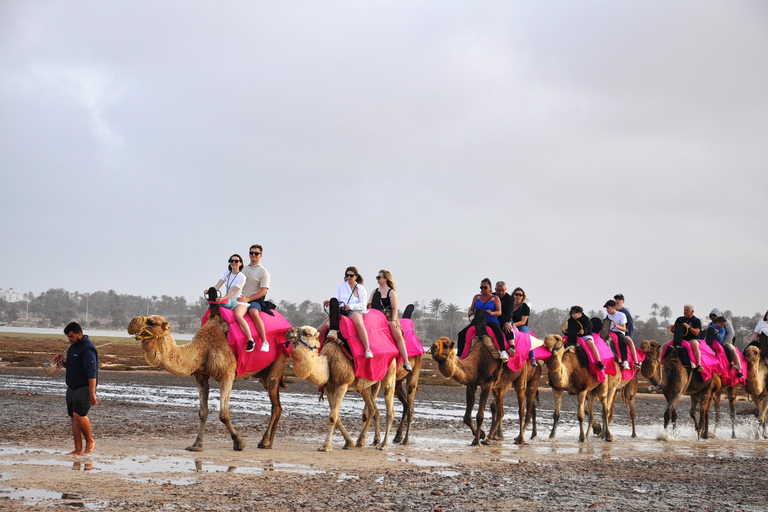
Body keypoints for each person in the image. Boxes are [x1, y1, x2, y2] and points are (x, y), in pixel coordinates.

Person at [206, 254, 256, 352]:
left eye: (236, 261)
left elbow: (233, 292)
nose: (233, 263)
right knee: (211, 314)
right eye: (231, 261)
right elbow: (217, 286)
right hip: (227, 301)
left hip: (237, 301)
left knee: (238, 315)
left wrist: (223, 298)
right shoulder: (226, 274)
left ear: (240, 263)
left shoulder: (241, 277)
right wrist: (209, 291)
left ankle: (250, 340)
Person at [62, 322, 98, 455]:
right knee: (73, 417)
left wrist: (92, 393)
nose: (70, 339)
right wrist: (62, 363)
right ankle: (78, 450)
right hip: (71, 387)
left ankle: (90, 441)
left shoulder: (88, 350)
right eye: (68, 337)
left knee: (79, 415)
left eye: (71, 336)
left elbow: (91, 372)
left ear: (79, 334)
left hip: (85, 387)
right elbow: (72, 366)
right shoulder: (72, 348)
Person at [321, 266, 373, 358]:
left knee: (359, 324)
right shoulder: (341, 286)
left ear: (356, 276)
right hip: (340, 311)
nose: (349, 277)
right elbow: (335, 298)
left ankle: (367, 349)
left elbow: (362, 305)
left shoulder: (360, 288)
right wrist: (329, 302)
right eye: (347, 275)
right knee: (320, 329)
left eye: (351, 275)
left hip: (354, 310)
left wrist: (350, 306)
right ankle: (316, 350)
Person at [368, 269, 412, 372]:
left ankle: (406, 362)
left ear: (385, 279)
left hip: (389, 317)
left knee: (398, 335)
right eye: (377, 277)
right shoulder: (375, 291)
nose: (377, 279)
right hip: (376, 317)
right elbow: (370, 304)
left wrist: (392, 321)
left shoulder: (391, 292)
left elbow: (394, 308)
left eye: (379, 277)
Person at [461, 278, 508, 361]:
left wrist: (492, 313)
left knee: (499, 332)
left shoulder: (495, 298)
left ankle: (503, 351)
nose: (483, 289)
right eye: (481, 287)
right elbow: (471, 309)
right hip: (478, 321)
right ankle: (459, 355)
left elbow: (499, 312)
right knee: (461, 334)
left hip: (491, 321)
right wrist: (471, 312)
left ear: (490, 287)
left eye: (485, 287)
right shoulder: (476, 297)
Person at [238, 244, 270, 353]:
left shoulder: (263, 272)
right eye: (251, 253)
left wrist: (248, 299)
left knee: (253, 312)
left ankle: (265, 341)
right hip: (239, 299)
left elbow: (263, 291)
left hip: (254, 300)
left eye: (256, 253)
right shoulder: (242, 268)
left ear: (261, 255)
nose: (253, 255)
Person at [708, 308, 743, 378]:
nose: (713, 317)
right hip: (714, 342)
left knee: (732, 350)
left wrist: (724, 342)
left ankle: (739, 370)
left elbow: (731, 333)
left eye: (714, 315)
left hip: (726, 341)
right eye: (711, 316)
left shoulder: (725, 322)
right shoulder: (710, 324)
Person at [670, 303, 703, 372]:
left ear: (692, 312)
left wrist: (689, 327)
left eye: (687, 310)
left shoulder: (696, 321)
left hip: (691, 339)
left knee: (695, 345)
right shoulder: (680, 319)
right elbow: (674, 331)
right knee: (665, 345)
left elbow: (697, 332)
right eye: (684, 310)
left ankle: (699, 364)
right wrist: (672, 329)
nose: (685, 312)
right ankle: (662, 362)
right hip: (680, 339)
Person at [614, 294, 640, 370]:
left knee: (629, 341)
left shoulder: (626, 313)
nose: (617, 301)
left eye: (619, 299)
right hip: (612, 332)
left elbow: (631, 327)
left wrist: (630, 337)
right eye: (616, 299)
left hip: (623, 332)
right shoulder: (612, 311)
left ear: (623, 301)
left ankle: (636, 362)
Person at [604, 300, 630, 370]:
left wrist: (616, 326)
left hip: (618, 332)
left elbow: (624, 329)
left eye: (608, 308)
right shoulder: (606, 315)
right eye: (606, 308)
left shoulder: (621, 315)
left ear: (614, 307)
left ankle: (625, 361)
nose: (607, 310)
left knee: (623, 341)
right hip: (609, 331)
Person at [510, 287, 534, 365]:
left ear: (523, 297)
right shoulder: (509, 306)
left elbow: (523, 321)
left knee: (527, 338)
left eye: (520, 295)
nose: (518, 296)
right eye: (516, 294)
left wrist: (512, 325)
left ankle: (532, 357)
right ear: (513, 295)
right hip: (510, 325)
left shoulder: (525, 307)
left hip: (521, 326)